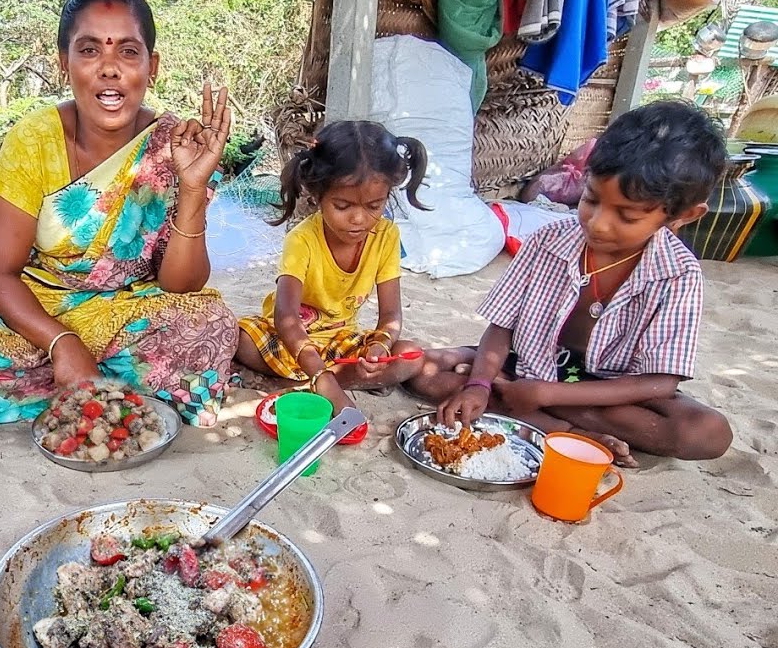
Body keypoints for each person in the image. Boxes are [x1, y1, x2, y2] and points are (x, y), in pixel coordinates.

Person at [0, 0, 237, 427]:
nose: (110, 69)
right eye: (90, 50)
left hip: (127, 308)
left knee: (211, 321)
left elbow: (181, 286)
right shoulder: (34, 139)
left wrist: (192, 186)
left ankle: (73, 382)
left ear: (151, 67)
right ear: (65, 64)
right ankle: (92, 376)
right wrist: (62, 343)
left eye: (128, 52)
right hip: (39, 304)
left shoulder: (174, 143)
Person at [408, 100, 732, 466]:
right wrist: (481, 383)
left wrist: (546, 394)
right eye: (591, 200)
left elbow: (659, 383)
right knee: (425, 370)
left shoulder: (678, 273)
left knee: (707, 433)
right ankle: (563, 429)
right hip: (530, 365)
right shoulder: (548, 241)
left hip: (608, 390)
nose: (598, 224)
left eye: (625, 215)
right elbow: (501, 328)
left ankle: (537, 411)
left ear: (683, 216)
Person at [236, 121, 428, 412]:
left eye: (374, 206)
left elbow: (390, 315)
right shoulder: (302, 239)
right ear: (317, 196)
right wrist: (319, 370)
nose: (359, 219)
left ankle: (318, 381)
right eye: (342, 206)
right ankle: (323, 379)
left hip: (342, 343)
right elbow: (286, 317)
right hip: (290, 341)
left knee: (411, 356)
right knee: (240, 338)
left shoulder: (387, 236)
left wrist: (380, 347)